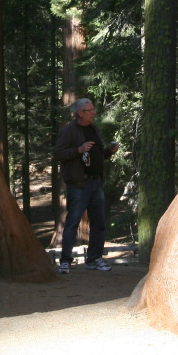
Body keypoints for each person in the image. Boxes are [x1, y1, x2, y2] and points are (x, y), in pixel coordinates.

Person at [53, 98, 120, 274]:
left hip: (96, 182)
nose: (93, 112)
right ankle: (65, 261)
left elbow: (96, 155)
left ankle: (94, 258)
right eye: (89, 110)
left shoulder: (93, 129)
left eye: (93, 109)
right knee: (72, 223)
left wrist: (109, 151)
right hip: (79, 184)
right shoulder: (69, 130)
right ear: (80, 113)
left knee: (98, 223)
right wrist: (78, 150)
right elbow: (58, 154)